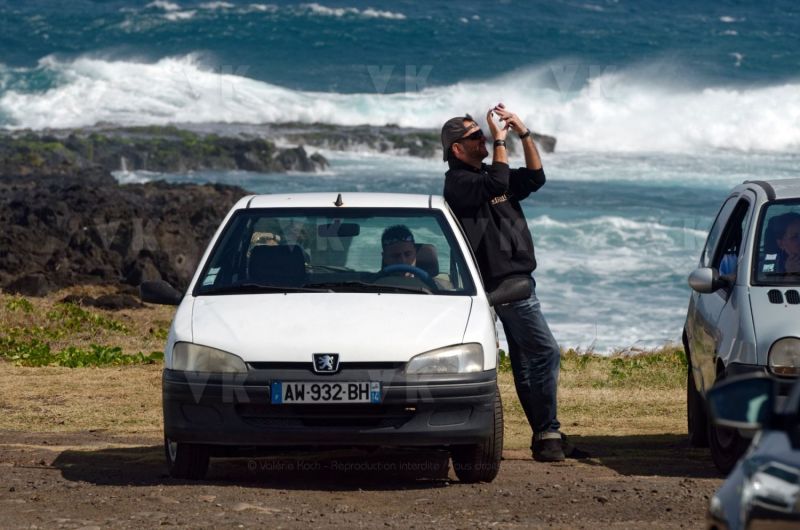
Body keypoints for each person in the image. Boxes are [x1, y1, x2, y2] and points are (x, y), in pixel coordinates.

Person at [441, 104, 585, 462]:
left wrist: (523, 133)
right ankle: (547, 432)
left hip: (520, 278)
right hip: (502, 283)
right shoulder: (459, 184)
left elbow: (536, 178)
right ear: (457, 149)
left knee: (525, 360)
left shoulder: (490, 174)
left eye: (482, 134)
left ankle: (546, 435)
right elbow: (498, 183)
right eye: (475, 136)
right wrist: (501, 140)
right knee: (544, 351)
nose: (483, 139)